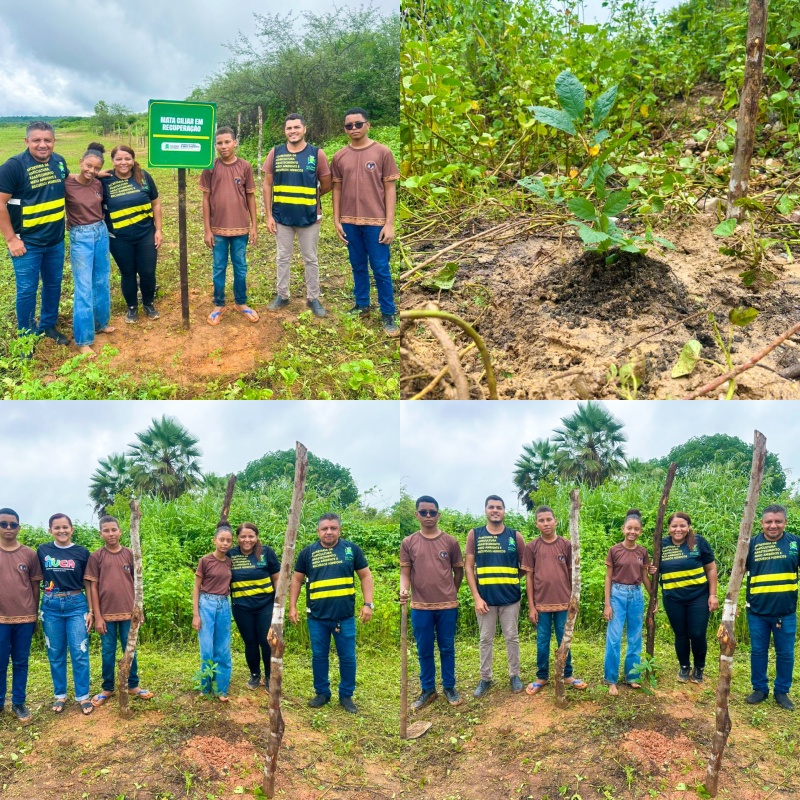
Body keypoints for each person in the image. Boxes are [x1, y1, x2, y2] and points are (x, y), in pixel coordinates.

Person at [289, 513, 374, 714]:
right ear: (318, 531)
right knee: (319, 656)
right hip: (317, 617)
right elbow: (296, 581)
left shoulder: (351, 550)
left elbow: (365, 576)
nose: (329, 531)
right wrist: (292, 606)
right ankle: (322, 693)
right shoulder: (307, 553)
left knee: (347, 657)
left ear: (339, 530)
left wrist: (368, 604)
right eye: (325, 528)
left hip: (344, 617)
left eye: (333, 528)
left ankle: (346, 695)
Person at [0, 121, 70, 347]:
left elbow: (69, 182)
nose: (42, 145)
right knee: (27, 290)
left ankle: (48, 325)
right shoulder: (14, 166)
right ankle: (26, 336)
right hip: (27, 243)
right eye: (37, 140)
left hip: (55, 241)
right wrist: (11, 239)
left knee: (53, 285)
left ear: (53, 141)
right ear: (26, 141)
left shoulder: (59, 162)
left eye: (47, 140)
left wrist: (97, 173)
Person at [331, 108, 400, 337]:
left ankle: (388, 313)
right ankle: (362, 305)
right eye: (349, 126)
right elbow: (337, 188)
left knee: (380, 268)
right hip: (349, 221)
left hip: (376, 222)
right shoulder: (340, 156)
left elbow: (390, 189)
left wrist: (389, 223)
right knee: (357, 265)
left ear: (368, 125)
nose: (353, 129)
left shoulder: (382, 152)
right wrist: (336, 219)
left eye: (358, 124)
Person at [264, 113, 332, 318]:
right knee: (282, 257)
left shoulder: (316, 154)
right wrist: (268, 215)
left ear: (304, 129)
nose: (292, 131)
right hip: (281, 216)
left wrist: (310, 199)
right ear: (285, 131)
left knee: (310, 258)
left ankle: (313, 298)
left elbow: (326, 183)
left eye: (296, 127)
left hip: (309, 217)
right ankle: (282, 295)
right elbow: (267, 185)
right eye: (289, 128)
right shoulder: (275, 153)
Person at [400, 495, 465, 710]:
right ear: (416, 514)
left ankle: (449, 687)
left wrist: (451, 592)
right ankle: (428, 689)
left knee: (447, 647)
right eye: (424, 512)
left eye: (433, 512)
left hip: (447, 606)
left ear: (439, 514)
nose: (429, 516)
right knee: (424, 649)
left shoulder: (450, 542)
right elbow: (405, 571)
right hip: (420, 606)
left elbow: (458, 570)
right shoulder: (409, 542)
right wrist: (404, 589)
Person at [85, 515, 154, 707]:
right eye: (106, 530)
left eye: (114, 530)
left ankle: (133, 685)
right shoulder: (96, 557)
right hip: (106, 615)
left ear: (120, 531)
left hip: (129, 614)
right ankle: (107, 688)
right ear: (101, 534)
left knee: (130, 649)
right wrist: (97, 617)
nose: (111, 533)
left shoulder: (131, 554)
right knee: (107, 652)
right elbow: (92, 587)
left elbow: (138, 584)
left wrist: (139, 610)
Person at [522, 505, 588, 695]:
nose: (546, 523)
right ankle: (541, 676)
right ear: (536, 524)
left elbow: (572, 574)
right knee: (542, 642)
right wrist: (532, 607)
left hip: (563, 604)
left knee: (564, 640)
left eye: (548, 519)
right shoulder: (532, 547)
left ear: (555, 521)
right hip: (541, 605)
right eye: (541, 520)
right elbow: (529, 577)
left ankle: (567, 675)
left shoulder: (566, 545)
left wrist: (573, 602)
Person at [465, 495, 526, 697]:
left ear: (504, 511)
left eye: (499, 507)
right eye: (491, 507)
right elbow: (468, 567)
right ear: (485, 510)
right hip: (485, 599)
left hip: (511, 598)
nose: (495, 510)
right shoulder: (475, 535)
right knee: (485, 639)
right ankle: (485, 678)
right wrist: (476, 597)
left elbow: (525, 566)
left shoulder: (514, 536)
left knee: (512, 637)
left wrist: (510, 578)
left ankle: (514, 676)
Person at [200, 127, 260, 326]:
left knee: (240, 266)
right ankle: (219, 304)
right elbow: (206, 199)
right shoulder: (210, 167)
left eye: (227, 142)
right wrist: (207, 229)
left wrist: (254, 226)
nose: (223, 146)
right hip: (217, 230)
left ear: (235, 142)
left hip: (241, 229)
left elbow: (250, 196)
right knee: (218, 267)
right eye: (219, 143)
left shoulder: (245, 166)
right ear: (215, 145)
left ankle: (241, 302)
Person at [651, 512, 718, 684]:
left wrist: (712, 595)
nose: (678, 529)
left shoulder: (698, 542)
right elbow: (654, 569)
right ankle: (684, 666)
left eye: (682, 525)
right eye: (674, 526)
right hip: (672, 598)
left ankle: (699, 667)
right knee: (680, 634)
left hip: (698, 597)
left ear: (688, 527)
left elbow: (710, 569)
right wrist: (650, 570)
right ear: (668, 528)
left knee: (697, 633)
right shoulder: (662, 544)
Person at [37, 513, 94, 714]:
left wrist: (91, 611)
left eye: (65, 527)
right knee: (55, 652)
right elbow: (37, 579)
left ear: (72, 529)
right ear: (50, 530)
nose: (61, 531)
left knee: (80, 652)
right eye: (57, 527)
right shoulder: (43, 550)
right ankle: (60, 695)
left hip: (76, 604)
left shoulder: (81, 552)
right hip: (51, 605)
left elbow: (88, 582)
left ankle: (83, 696)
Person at [745, 504, 799, 710]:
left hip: (786, 612)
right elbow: (740, 571)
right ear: (762, 523)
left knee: (785, 653)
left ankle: (782, 691)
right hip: (757, 611)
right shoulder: (751, 545)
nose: (773, 526)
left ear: (785, 522)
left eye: (778, 521)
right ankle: (759, 689)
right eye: (769, 522)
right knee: (758, 651)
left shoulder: (795, 543)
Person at [100, 145, 162, 323]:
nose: (123, 163)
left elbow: (155, 203)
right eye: (118, 159)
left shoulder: (143, 177)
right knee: (128, 272)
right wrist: (96, 174)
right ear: (112, 161)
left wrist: (158, 230)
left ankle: (149, 304)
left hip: (146, 234)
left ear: (133, 159)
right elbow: (83, 182)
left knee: (148, 271)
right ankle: (132, 307)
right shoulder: (105, 181)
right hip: (119, 238)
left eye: (127, 158)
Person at [64, 142, 114, 356]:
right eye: (88, 166)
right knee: (84, 287)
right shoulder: (66, 183)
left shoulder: (97, 184)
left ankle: (101, 323)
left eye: (95, 168)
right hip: (80, 236)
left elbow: (96, 181)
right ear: (80, 162)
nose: (91, 171)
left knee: (102, 280)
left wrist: (98, 175)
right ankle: (83, 339)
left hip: (100, 232)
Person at [603, 509, 652, 696]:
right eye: (629, 528)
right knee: (614, 638)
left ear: (640, 531)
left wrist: (652, 597)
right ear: (623, 529)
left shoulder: (642, 552)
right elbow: (608, 578)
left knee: (635, 637)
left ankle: (632, 676)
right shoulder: (614, 550)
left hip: (636, 596)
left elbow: (645, 577)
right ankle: (611, 680)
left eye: (636, 529)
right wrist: (607, 604)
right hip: (617, 594)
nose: (632, 532)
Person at [0, 508, 41, 723]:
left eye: (12, 524)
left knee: (20, 662)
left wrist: (34, 616)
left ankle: (19, 703)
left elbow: (35, 587)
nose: (8, 528)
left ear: (19, 527)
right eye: (4, 524)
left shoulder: (29, 554)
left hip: (24, 618)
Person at [229, 522, 281, 691]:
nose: (247, 540)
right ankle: (254, 674)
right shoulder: (231, 555)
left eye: (251, 536)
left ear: (256, 537)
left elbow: (277, 579)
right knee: (250, 642)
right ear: (237, 538)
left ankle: (268, 676)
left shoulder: (266, 553)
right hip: (241, 606)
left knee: (266, 642)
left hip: (265, 605)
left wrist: (279, 603)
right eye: (243, 536)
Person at [192, 524, 233, 701]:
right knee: (207, 649)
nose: (225, 543)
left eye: (228, 541)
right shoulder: (205, 561)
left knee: (223, 649)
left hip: (224, 605)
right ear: (214, 541)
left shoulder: (231, 561)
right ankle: (205, 686)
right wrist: (196, 614)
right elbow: (196, 587)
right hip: (206, 604)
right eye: (221, 540)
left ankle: (221, 689)